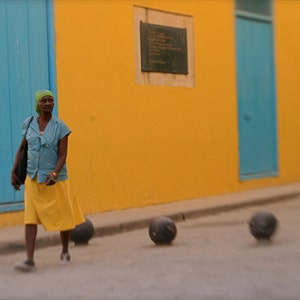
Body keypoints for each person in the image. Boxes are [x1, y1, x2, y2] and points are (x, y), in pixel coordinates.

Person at [11, 89, 85, 272]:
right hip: (33, 179)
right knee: (30, 219)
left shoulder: (61, 127)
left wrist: (54, 173)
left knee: (64, 216)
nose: (47, 104)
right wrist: (14, 172)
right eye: (43, 101)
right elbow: (22, 148)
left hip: (55, 180)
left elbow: (62, 155)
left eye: (50, 100)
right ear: (38, 104)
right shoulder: (29, 124)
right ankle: (29, 259)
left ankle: (65, 251)